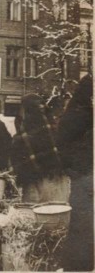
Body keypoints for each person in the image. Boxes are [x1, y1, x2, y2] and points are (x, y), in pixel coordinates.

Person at [57, 74, 93, 272]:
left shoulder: (75, 112)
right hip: (85, 176)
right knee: (83, 226)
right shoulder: (79, 114)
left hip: (82, 175)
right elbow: (64, 145)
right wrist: (77, 171)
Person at [10, 94, 69, 203]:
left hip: (32, 175)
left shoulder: (23, 123)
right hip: (52, 173)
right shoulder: (51, 123)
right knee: (52, 204)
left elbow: (18, 148)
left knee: (32, 205)